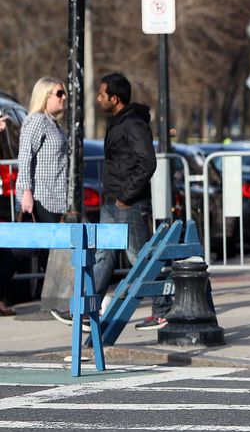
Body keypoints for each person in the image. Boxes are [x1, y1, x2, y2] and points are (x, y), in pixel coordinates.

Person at [50, 73, 168, 329]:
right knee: (102, 256)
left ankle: (163, 308)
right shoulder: (118, 122)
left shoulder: (133, 124)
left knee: (139, 256)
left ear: (115, 98)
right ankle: (85, 310)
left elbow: (147, 162)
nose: (98, 98)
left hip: (129, 203)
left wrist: (126, 197)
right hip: (112, 202)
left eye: (102, 94)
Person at [16, 77, 68, 223]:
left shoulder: (54, 123)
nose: (64, 97)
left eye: (64, 93)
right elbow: (25, 157)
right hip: (40, 199)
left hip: (56, 199)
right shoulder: (37, 121)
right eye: (59, 93)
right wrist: (26, 193)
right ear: (45, 95)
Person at [0, 116, 17, 317]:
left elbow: (13, 153)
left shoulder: (8, 134)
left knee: (12, 250)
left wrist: (6, 133)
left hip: (6, 200)